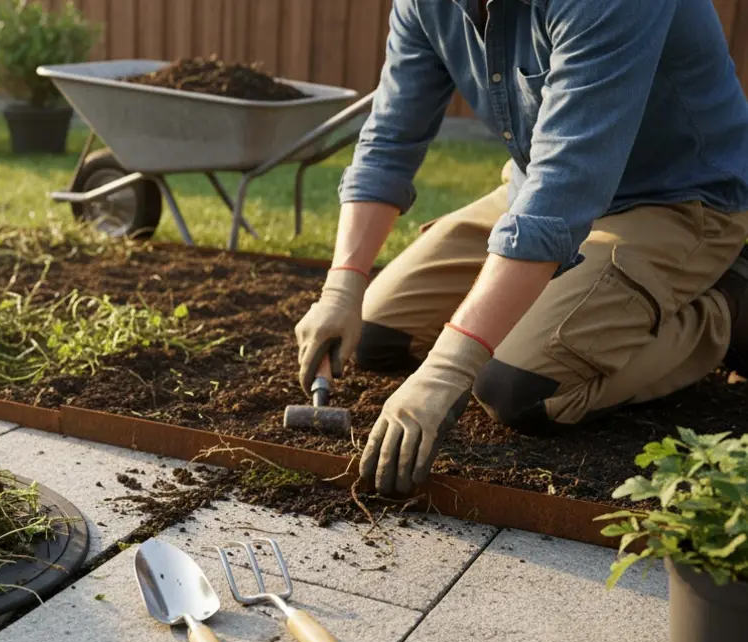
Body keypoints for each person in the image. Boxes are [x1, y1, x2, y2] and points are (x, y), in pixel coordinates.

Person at [293, 0, 748, 497]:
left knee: (517, 389)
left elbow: (565, 186)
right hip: (534, 190)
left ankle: (725, 307)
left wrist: (448, 367)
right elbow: (389, 141)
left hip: (677, 201)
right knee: (378, 335)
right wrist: (341, 289)